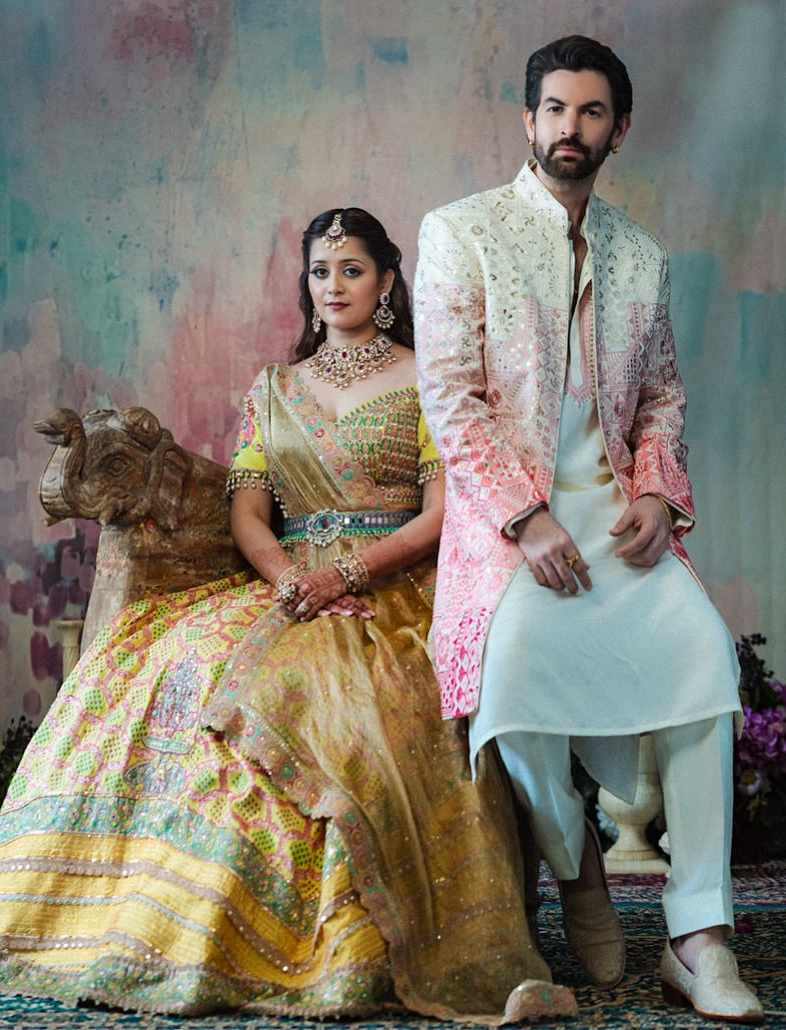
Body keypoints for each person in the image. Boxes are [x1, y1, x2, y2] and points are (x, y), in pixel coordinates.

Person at [0, 208, 577, 1023]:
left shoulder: (428, 379)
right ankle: (144, 921)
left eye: (352, 270)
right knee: (162, 667)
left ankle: (320, 938)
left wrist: (345, 574)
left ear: (388, 282)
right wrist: (292, 577)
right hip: (282, 584)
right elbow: (249, 511)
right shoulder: (274, 389)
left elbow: (440, 514)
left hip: (392, 586)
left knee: (329, 696)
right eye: (321, 272)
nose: (334, 286)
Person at [414, 35, 764, 1026]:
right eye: (555, 110)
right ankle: (576, 864)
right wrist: (523, 518)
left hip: (615, 529)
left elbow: (658, 398)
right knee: (511, 684)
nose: (572, 130)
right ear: (527, 121)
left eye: (592, 112)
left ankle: (697, 938)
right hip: (506, 533)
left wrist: (656, 496)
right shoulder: (461, 231)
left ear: (618, 128)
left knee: (702, 659)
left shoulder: (639, 255)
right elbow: (449, 396)